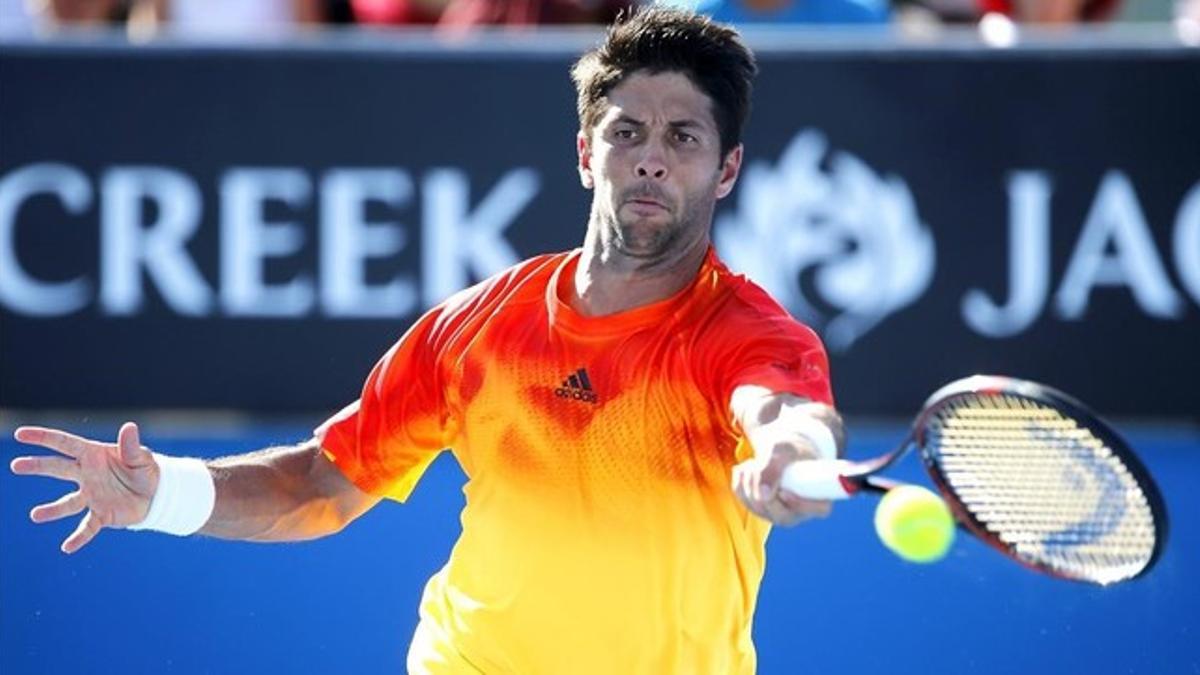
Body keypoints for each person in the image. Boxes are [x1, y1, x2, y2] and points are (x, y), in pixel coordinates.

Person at [10, 7, 845, 673]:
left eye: (684, 138)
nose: (652, 160)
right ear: (587, 153)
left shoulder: (748, 332)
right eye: (628, 132)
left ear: (727, 169)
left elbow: (781, 409)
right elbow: (323, 482)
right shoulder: (475, 327)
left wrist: (788, 445)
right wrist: (163, 494)